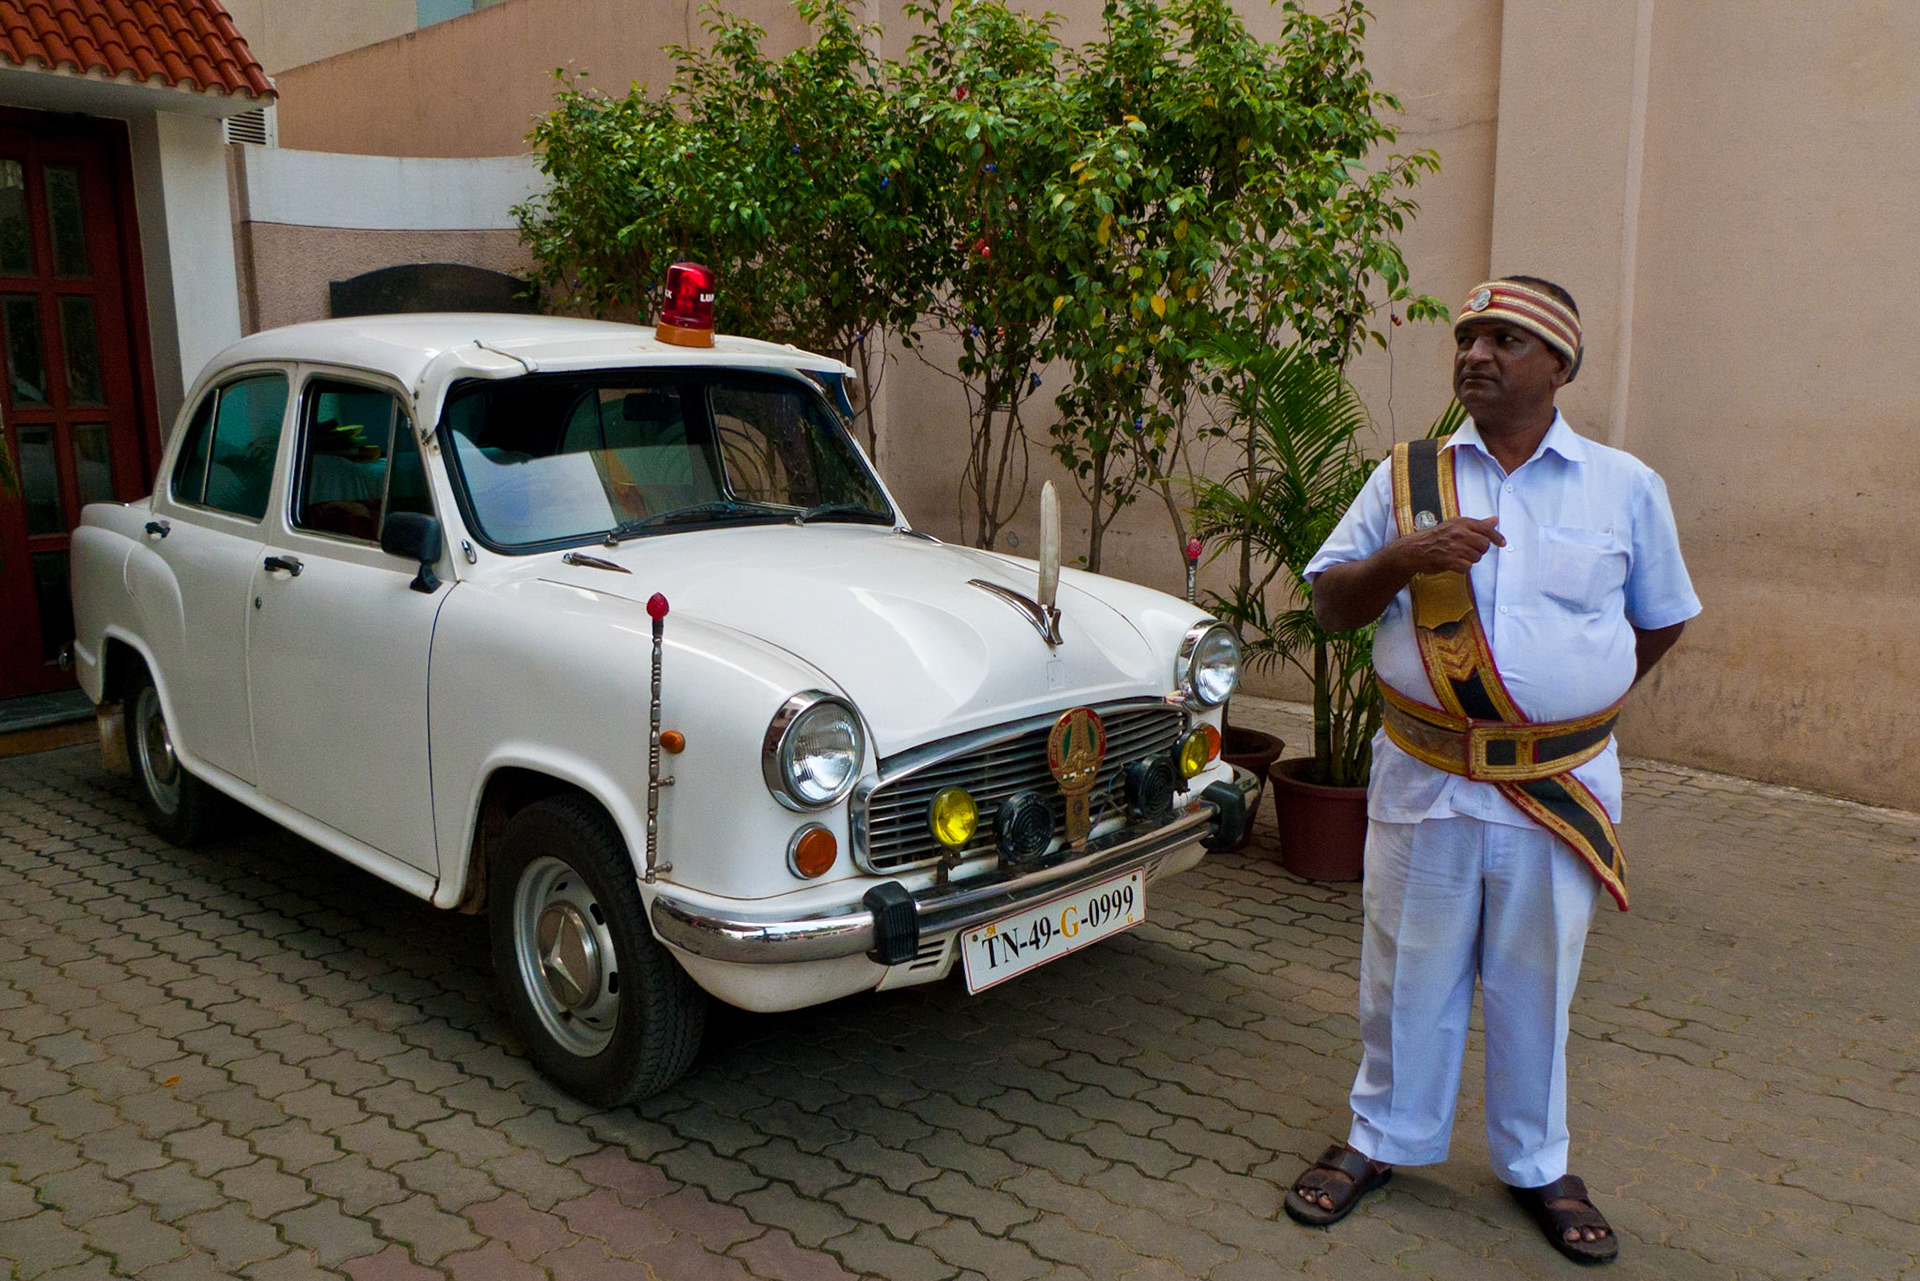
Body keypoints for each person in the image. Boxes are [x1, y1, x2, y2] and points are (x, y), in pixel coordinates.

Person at [1283, 276, 1700, 1265]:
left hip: (1554, 787)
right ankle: (1381, 1138)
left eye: (1503, 339)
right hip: (1425, 775)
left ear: (1558, 365)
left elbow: (1664, 616)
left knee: (1536, 981)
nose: (1475, 353)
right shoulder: (1406, 478)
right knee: (1404, 971)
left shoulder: (1623, 486)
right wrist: (1405, 557)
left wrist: (1569, 706)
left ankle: (1536, 1161)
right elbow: (1332, 607)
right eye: (1467, 337)